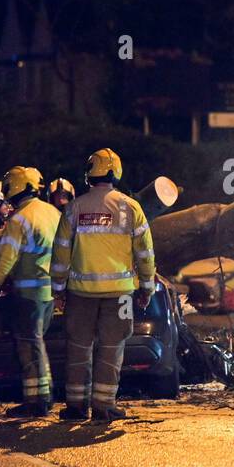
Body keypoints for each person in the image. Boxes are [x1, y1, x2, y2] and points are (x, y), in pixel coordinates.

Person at [51, 148, 155, 421]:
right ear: (115, 172)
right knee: (112, 347)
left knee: (78, 348)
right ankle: (103, 406)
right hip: (119, 295)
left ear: (89, 175)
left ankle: (75, 406)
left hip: (79, 295)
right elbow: (144, 254)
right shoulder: (131, 208)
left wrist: (58, 289)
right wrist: (147, 287)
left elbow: (61, 251)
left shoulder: (75, 208)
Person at [0, 166, 61, 415]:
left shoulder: (19, 219)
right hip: (51, 292)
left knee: (30, 346)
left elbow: (4, 260)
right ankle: (40, 399)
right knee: (36, 343)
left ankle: (39, 401)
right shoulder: (53, 213)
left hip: (29, 295)